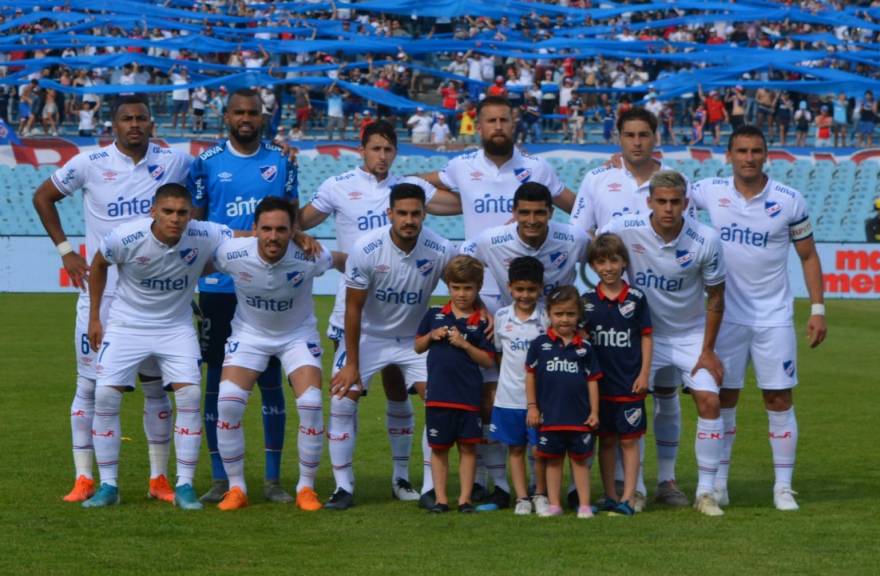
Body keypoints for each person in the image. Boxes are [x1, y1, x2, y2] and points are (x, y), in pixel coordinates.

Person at [33, 94, 191, 504]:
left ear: (151, 123)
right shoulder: (90, 163)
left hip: (155, 297)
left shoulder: (174, 161)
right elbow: (42, 196)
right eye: (126, 119)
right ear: (113, 125)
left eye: (141, 118)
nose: (134, 125)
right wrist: (66, 250)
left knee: (158, 389)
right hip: (100, 296)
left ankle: (159, 480)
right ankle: (85, 477)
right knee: (90, 386)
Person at [421, 95, 575, 503]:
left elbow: (578, 207)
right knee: (485, 396)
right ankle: (497, 484)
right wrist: (381, 175)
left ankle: (538, 484)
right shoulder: (460, 166)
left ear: (514, 122)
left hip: (530, 296)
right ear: (479, 124)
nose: (498, 126)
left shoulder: (537, 167)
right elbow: (420, 185)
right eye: (490, 120)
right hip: (483, 297)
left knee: (538, 390)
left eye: (504, 119)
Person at [298, 120, 445, 502]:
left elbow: (466, 201)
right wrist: (298, 235)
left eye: (388, 149)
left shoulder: (411, 191)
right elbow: (299, 219)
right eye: (375, 148)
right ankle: (343, 486)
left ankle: (409, 481)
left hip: (407, 326)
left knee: (408, 394)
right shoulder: (338, 187)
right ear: (361, 149)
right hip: (360, 314)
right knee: (345, 394)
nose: (382, 156)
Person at [689, 125, 827, 511]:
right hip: (725, 316)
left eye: (756, 151)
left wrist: (817, 309)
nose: (749, 158)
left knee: (779, 397)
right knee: (724, 398)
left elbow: (808, 256)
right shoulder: (710, 191)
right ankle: (718, 484)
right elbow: (665, 186)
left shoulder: (789, 200)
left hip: (774, 316)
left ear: (767, 155)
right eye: (742, 151)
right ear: (728, 154)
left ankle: (783, 487)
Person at [83, 184, 233, 510]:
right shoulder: (125, 237)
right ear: (154, 211)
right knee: (106, 395)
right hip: (126, 326)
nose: (175, 219)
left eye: (182, 212)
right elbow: (98, 265)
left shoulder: (205, 234)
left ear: (190, 214)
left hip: (175, 327)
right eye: (168, 211)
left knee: (190, 396)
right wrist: (95, 317)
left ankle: (185, 486)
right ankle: (109, 486)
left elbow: (250, 234)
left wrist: (292, 233)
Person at [187, 88, 303, 505]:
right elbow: (196, 226)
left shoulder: (280, 159)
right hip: (219, 288)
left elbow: (293, 214)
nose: (246, 118)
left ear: (263, 116)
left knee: (272, 382)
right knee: (217, 383)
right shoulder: (206, 163)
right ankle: (221, 477)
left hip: (267, 286)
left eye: (253, 112)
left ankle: (273, 481)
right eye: (239, 112)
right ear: (227, 116)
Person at [602, 170, 728, 517]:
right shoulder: (624, 227)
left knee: (709, 401)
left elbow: (716, 296)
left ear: (686, 203)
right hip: (643, 335)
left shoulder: (706, 239)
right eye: (662, 202)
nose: (669, 208)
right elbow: (597, 252)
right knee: (631, 406)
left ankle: (706, 492)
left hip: (689, 335)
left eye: (675, 202)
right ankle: (637, 489)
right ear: (650, 202)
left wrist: (708, 349)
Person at [211, 197, 344, 511]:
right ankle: (236, 488)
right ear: (254, 229)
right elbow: (197, 258)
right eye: (266, 229)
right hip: (249, 335)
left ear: (293, 230)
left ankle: (306, 489)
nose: (273, 236)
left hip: (297, 336)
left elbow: (344, 260)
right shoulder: (231, 253)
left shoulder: (311, 255)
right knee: (227, 402)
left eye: (282, 229)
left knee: (311, 404)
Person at [327, 183, 453, 510]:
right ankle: (343, 487)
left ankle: (421, 486)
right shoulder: (366, 248)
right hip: (369, 336)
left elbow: (462, 288)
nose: (409, 220)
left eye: (415, 213)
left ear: (424, 214)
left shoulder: (440, 249)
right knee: (341, 399)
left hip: (413, 340)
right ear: (389, 214)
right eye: (402, 213)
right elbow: (353, 309)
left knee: (437, 403)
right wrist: (352, 364)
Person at [414, 256, 496, 513]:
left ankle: (465, 499)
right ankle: (440, 499)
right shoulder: (435, 314)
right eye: (456, 287)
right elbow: (417, 346)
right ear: (448, 286)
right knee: (438, 450)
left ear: (478, 287)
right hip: (438, 395)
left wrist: (464, 344)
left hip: (468, 397)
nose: (462, 294)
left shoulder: (483, 322)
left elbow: (487, 360)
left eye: (468, 288)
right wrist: (430, 336)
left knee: (468, 448)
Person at [582, 233, 652, 517]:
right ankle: (610, 495)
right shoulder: (586, 302)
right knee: (607, 440)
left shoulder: (636, 299)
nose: (608, 267)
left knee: (629, 441)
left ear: (623, 262)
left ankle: (628, 496)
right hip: (599, 387)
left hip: (629, 383)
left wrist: (645, 373)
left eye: (613, 260)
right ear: (593, 266)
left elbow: (647, 337)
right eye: (601, 262)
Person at [526, 286, 602, 519]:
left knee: (580, 463)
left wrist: (595, 412)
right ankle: (555, 504)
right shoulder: (539, 344)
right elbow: (530, 376)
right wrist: (532, 407)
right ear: (549, 314)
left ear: (578, 315)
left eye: (570, 314)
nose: (564, 319)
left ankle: (585, 505)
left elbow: (592, 381)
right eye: (559, 314)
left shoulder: (585, 347)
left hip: (579, 417)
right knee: (553, 461)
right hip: (550, 416)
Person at [490, 256, 548, 515]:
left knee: (540, 449)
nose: (525, 295)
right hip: (509, 398)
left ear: (541, 288)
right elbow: (500, 356)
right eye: (520, 289)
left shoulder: (546, 319)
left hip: (541, 399)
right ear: (509, 287)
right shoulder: (501, 317)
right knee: (515, 448)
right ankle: (522, 498)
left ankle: (540, 494)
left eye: (531, 289)